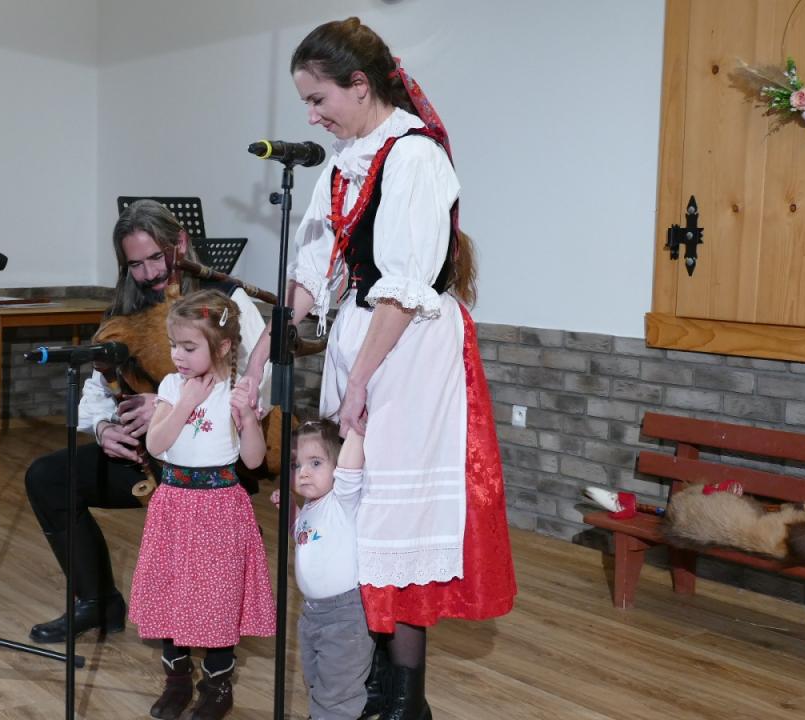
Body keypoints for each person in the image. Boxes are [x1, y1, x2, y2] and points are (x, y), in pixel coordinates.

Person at [245, 17, 517, 719]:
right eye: (305, 103)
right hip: (361, 341)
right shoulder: (343, 165)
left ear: (360, 85)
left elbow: (403, 288)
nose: (311, 116)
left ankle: (405, 695)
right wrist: (256, 361)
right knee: (352, 506)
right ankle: (363, 677)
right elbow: (311, 277)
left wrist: (359, 384)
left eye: (318, 99)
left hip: (410, 349)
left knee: (395, 517)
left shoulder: (415, 157)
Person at [22, 200, 271, 644]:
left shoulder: (225, 300)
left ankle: (213, 626)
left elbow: (258, 385)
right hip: (146, 454)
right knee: (47, 478)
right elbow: (96, 392)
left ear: (181, 243)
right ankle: (97, 602)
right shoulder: (122, 311)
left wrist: (169, 402)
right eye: (135, 265)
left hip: (211, 465)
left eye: (157, 257)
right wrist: (104, 429)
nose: (150, 273)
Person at [130, 289, 274, 720]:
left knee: (217, 597)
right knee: (172, 590)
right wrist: (185, 404)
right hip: (174, 504)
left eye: (189, 347)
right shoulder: (172, 386)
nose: (178, 355)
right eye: (174, 345)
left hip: (220, 507)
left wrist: (247, 418)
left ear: (223, 346)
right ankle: (176, 681)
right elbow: (156, 444)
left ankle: (216, 685)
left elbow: (254, 460)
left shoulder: (237, 389)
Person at [272, 420, 372, 720]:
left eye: (315, 462)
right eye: (296, 464)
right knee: (316, 680)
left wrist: (356, 429)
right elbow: (305, 538)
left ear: (337, 466)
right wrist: (291, 512)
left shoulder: (342, 500)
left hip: (345, 616)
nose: (303, 472)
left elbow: (350, 469)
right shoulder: (311, 506)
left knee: (338, 690)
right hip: (311, 614)